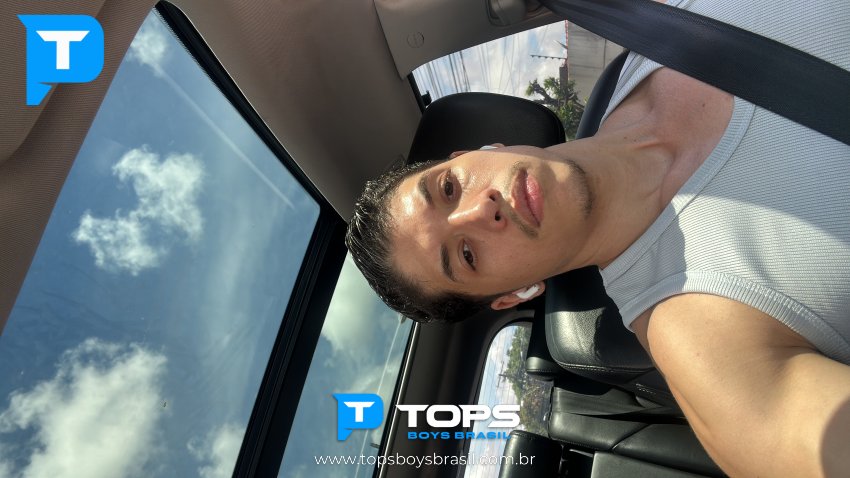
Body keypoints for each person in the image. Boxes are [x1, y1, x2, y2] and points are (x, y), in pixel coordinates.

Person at [346, 0, 850, 476]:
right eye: (467, 254)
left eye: (449, 188)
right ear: (513, 296)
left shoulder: (655, 25)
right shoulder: (704, 344)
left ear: (475, 151)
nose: (482, 209)